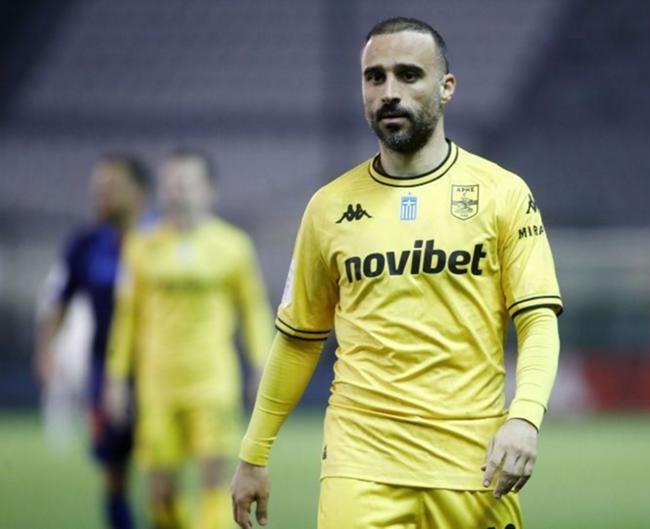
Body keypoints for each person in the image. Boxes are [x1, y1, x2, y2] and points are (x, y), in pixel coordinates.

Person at [231, 16, 562, 529]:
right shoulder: (329, 207)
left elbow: (537, 320)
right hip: (360, 463)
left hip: (474, 465)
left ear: (446, 87)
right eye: (375, 77)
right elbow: (298, 339)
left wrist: (525, 418)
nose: (389, 91)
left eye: (408, 75)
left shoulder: (503, 194)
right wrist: (254, 453)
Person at [105, 149, 272, 529]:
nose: (176, 192)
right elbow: (126, 318)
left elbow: (253, 310)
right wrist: (116, 376)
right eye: (170, 184)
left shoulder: (233, 246)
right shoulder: (140, 246)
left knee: (214, 485)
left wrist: (261, 363)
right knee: (161, 498)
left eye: (186, 183)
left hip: (212, 381)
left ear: (209, 190)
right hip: (157, 383)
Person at [34, 154, 151, 529]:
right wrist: (46, 350)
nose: (99, 195)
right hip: (106, 369)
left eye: (110, 187)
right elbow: (60, 301)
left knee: (163, 475)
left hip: (158, 369)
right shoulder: (84, 244)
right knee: (115, 472)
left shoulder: (160, 239)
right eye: (96, 188)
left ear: (138, 193)